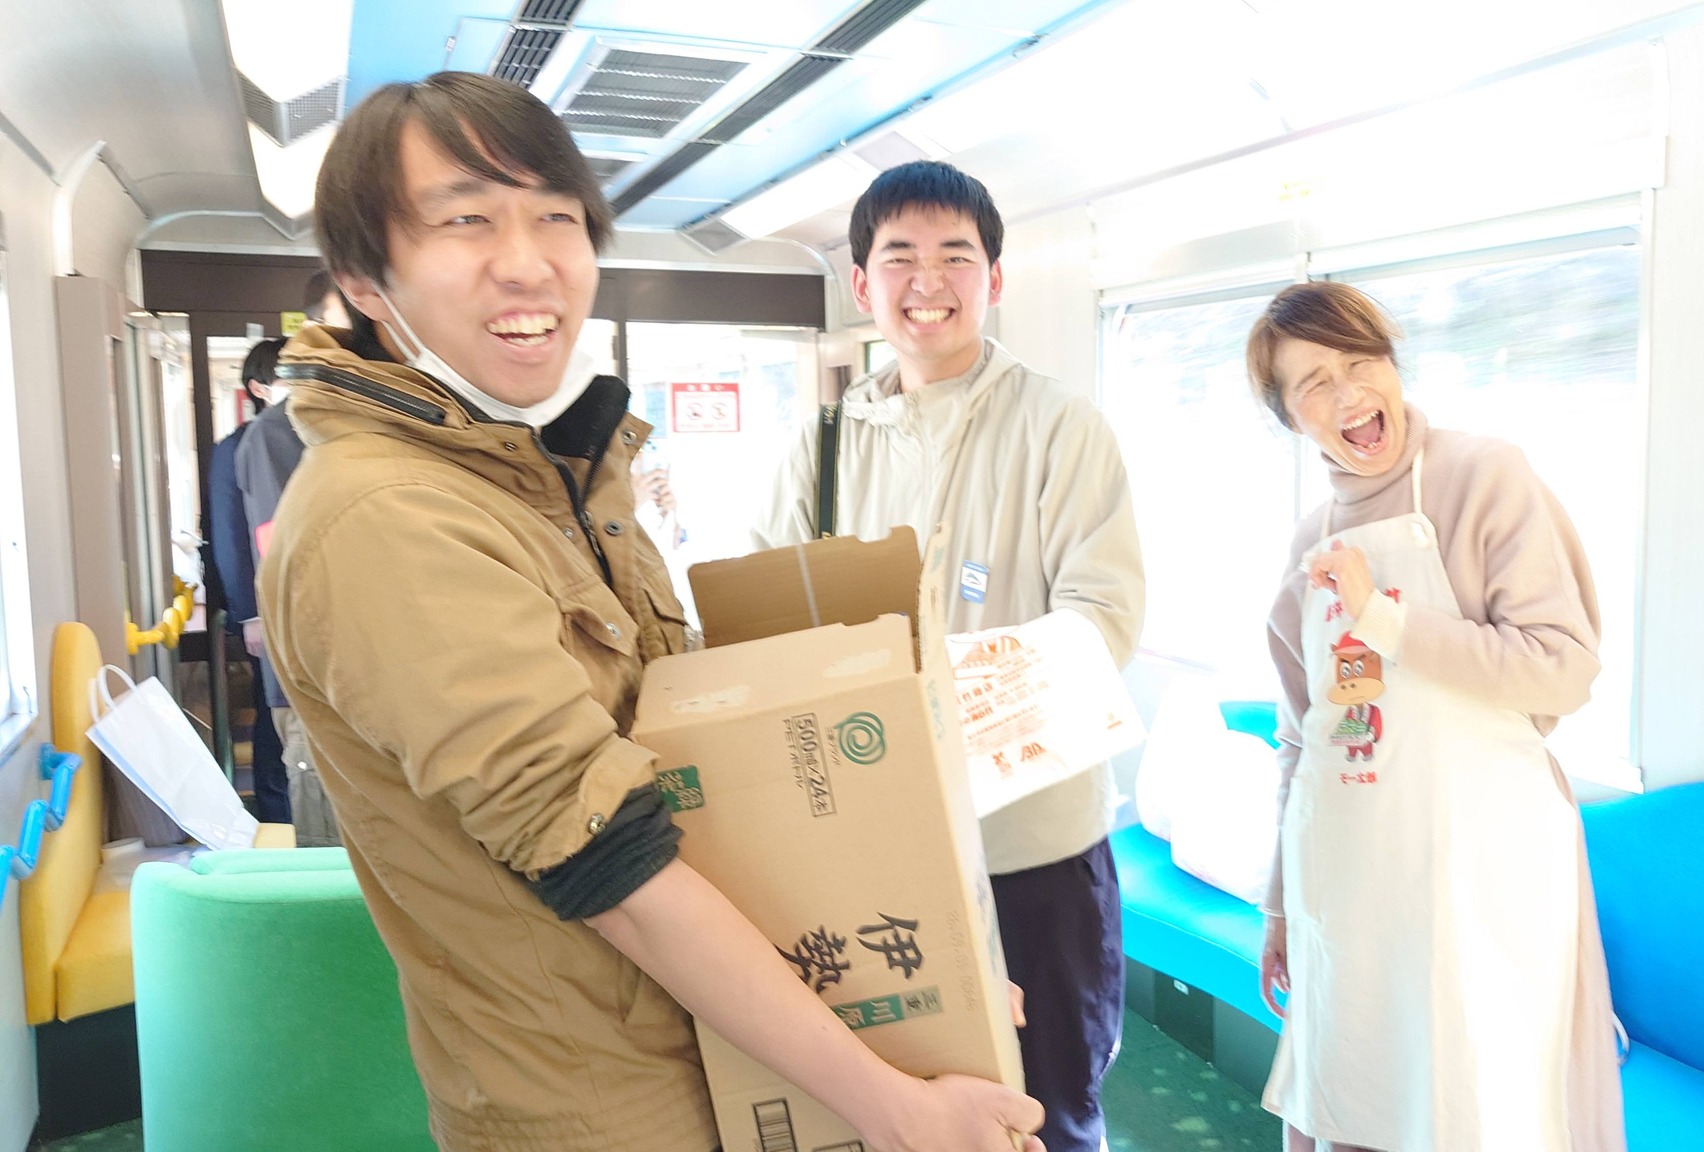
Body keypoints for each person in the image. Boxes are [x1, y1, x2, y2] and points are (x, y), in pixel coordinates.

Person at [258, 72, 1043, 1152]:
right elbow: (611, 865)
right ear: (364, 278)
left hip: (718, 1050)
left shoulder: (547, 470)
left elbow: (697, 766)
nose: (527, 260)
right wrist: (895, 1106)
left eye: (556, 217)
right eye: (465, 221)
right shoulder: (386, 517)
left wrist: (920, 981)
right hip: (597, 1102)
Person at [753, 160, 1144, 1152]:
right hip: (876, 854)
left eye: (955, 256)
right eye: (900, 257)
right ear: (861, 282)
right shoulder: (823, 446)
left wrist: (940, 706)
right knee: (900, 1112)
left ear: (994, 279)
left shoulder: (1059, 425)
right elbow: (760, 627)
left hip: (1033, 852)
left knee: (1050, 1114)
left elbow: (1103, 621)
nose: (927, 281)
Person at [1247, 281, 1625, 1152]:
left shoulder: (1483, 477)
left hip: (1481, 881)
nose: (1348, 395)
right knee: (1358, 1103)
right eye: (1313, 384)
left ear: (1391, 362)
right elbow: (1303, 742)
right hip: (1352, 892)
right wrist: (1280, 908)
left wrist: (1382, 616)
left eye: (1359, 363)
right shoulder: (1310, 541)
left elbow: (1560, 668)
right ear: (1290, 416)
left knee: (1483, 1112)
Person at [236, 273, 349, 846]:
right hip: (320, 681)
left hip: (409, 683)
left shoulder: (399, 417)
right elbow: (279, 553)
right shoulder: (277, 434)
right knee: (336, 856)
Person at [205, 337, 289, 824]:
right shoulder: (235, 448)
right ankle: (277, 817)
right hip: (264, 607)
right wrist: (250, 614)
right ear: (259, 388)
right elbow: (231, 537)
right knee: (272, 713)